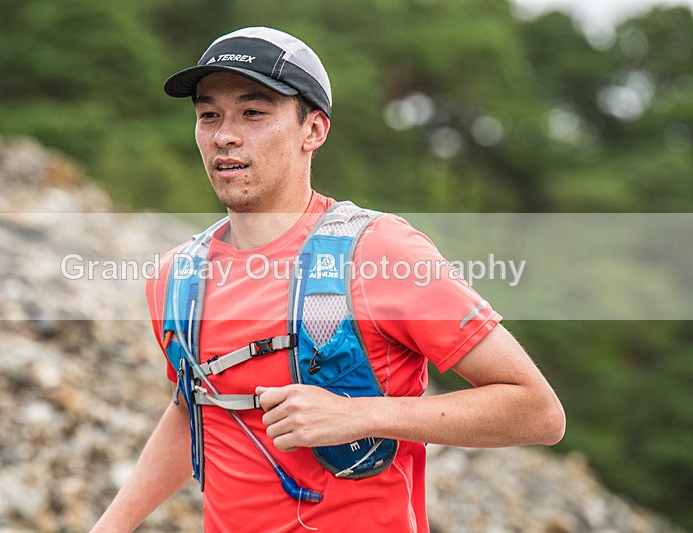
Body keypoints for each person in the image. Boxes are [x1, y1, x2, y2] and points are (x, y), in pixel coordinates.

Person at [91, 26, 565, 532]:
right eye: (209, 115)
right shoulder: (175, 277)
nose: (225, 134)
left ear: (313, 131)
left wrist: (363, 415)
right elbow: (194, 408)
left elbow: (538, 412)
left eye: (254, 112)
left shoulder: (381, 253)